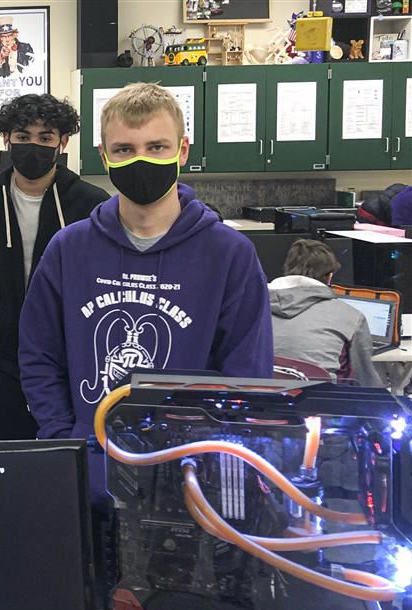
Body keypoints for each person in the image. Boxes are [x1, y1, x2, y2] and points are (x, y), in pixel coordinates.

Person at [19, 81, 272, 481]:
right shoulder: (69, 249)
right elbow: (39, 356)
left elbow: (248, 376)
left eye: (156, 147)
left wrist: (215, 459)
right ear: (104, 157)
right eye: (124, 149)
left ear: (182, 150)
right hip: (88, 465)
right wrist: (66, 439)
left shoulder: (229, 254)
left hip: (191, 473)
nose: (141, 160)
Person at [0, 93, 108, 442]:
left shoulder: (91, 203)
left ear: (62, 142)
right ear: (7, 139)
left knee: (67, 465)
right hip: (3, 361)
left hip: (74, 364)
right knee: (4, 465)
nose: (32, 146)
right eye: (23, 137)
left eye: (45, 137)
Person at [269, 239, 382, 387]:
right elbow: (366, 380)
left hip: (258, 401)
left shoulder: (250, 307)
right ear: (329, 276)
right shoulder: (350, 316)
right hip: (320, 404)